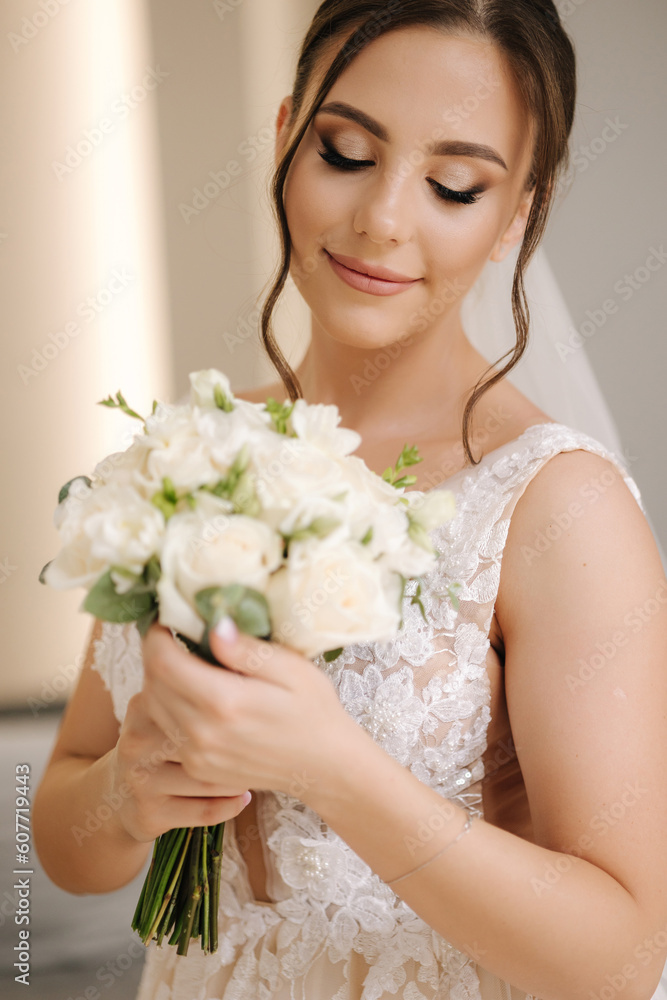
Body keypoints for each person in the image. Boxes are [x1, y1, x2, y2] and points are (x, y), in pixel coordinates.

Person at [34, 2, 667, 999]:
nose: (381, 218)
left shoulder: (556, 509)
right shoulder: (193, 454)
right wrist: (126, 792)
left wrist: (336, 770)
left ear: (516, 217)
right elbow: (71, 840)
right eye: (344, 151)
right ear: (286, 134)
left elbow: (623, 959)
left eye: (454, 185)